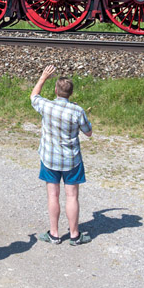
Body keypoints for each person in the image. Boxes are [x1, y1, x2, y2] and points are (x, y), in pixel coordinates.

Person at [30, 65, 92, 245]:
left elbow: (33, 96)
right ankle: (74, 235)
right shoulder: (77, 111)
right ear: (71, 93)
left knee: (53, 195)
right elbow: (88, 132)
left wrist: (43, 77)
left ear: (56, 91)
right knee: (72, 196)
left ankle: (54, 234)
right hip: (72, 159)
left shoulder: (47, 106)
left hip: (50, 159)